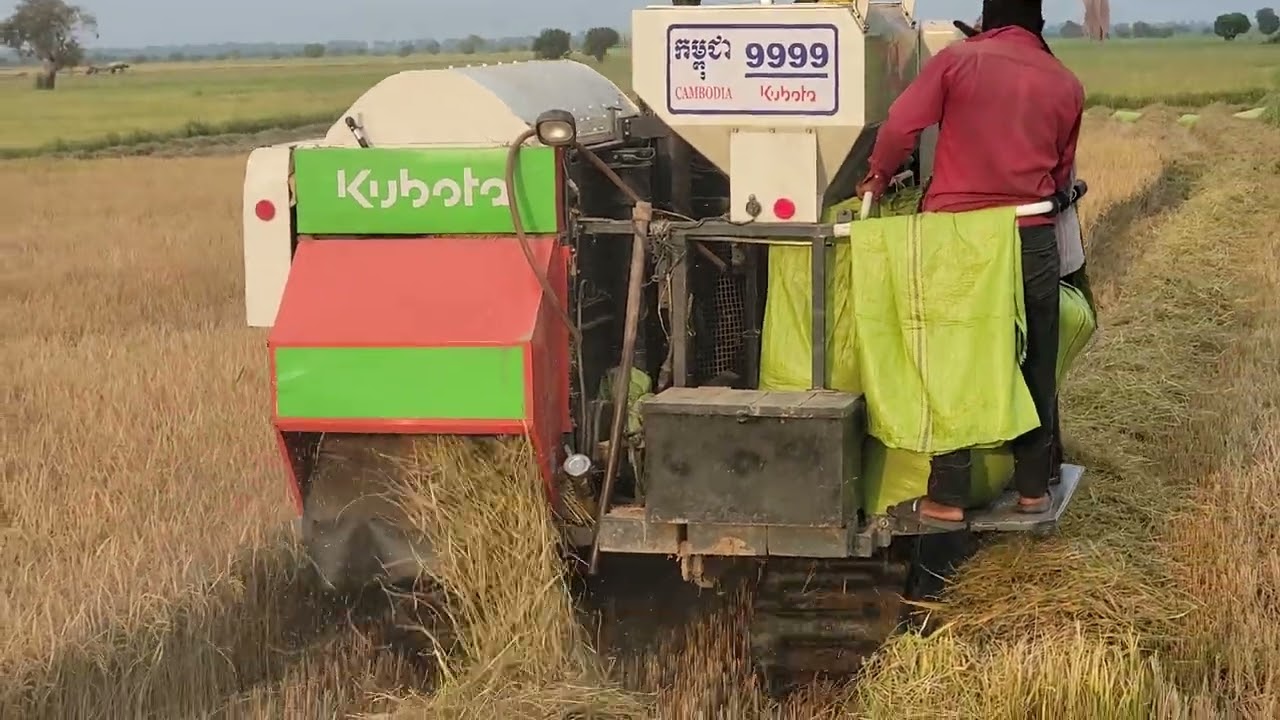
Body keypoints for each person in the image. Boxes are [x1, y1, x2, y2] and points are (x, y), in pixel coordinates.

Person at [857, 0, 1085, 526]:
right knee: (1035, 358)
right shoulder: (1065, 81)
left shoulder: (958, 61)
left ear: (986, 20)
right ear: (1039, 25)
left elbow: (898, 126)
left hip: (960, 239)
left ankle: (950, 493)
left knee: (949, 357)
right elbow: (1060, 177)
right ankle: (1033, 489)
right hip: (1030, 236)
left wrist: (877, 175)